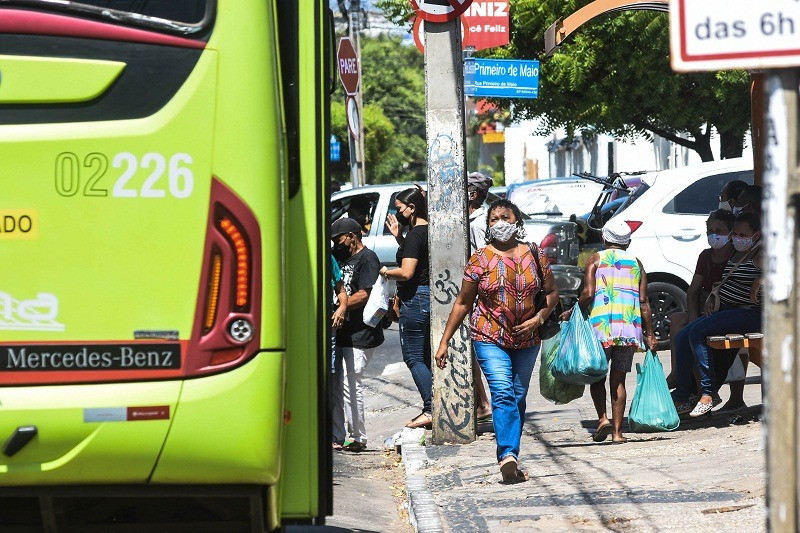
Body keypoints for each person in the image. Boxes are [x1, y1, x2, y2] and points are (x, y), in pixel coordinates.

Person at [434, 199, 559, 483]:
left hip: (528, 339)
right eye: (494, 219)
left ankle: (511, 459)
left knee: (516, 396)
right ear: (488, 226)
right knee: (502, 392)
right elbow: (463, 302)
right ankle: (508, 456)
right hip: (489, 336)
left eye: (505, 216)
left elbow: (552, 293)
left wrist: (538, 319)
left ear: (517, 221)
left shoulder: (535, 254)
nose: (500, 222)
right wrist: (445, 342)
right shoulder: (479, 259)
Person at [561, 217, 658, 444]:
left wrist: (573, 311)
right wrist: (650, 334)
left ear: (604, 238)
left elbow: (588, 293)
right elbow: (644, 302)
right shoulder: (636, 263)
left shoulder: (596, 259)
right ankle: (617, 433)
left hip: (601, 329)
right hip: (628, 330)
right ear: (628, 241)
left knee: (597, 376)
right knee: (619, 380)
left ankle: (602, 418)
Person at [671, 212, 763, 417]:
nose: (737, 238)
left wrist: (761, 279)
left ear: (755, 235)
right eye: (735, 234)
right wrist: (715, 295)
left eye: (742, 234)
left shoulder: (761, 254)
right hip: (728, 309)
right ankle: (683, 396)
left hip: (750, 313)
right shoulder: (738, 253)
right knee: (682, 336)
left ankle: (707, 392)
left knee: (697, 334)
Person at [665, 209, 736, 389]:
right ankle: (676, 374)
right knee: (678, 320)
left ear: (730, 232)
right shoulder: (705, 256)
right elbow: (693, 290)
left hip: (726, 311)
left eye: (718, 231)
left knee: (694, 333)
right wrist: (693, 315)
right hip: (704, 309)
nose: (713, 235)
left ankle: (703, 388)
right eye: (709, 231)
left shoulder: (737, 255)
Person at [380, 188, 432, 429]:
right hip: (430, 296)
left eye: (400, 208)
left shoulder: (415, 235)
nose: (398, 213)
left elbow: (407, 272)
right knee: (426, 356)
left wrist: (386, 272)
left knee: (413, 356)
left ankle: (431, 407)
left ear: (412, 208)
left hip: (416, 299)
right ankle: (437, 406)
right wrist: (398, 238)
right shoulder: (426, 231)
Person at [331, 217, 384, 452]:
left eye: (338, 239)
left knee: (351, 382)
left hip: (361, 332)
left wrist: (339, 308)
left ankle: (358, 436)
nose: (336, 244)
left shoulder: (368, 258)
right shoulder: (339, 258)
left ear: (352, 236)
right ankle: (338, 435)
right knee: (337, 384)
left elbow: (365, 294)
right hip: (341, 330)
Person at [467, 172, 495, 421]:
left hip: (480, 291)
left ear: (473, 195)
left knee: (475, 349)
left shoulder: (477, 223)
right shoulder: (482, 217)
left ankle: (484, 402)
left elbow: (480, 259)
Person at [330, 253, 348, 450]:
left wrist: (342, 307)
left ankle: (337, 434)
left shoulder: (329, 258)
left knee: (332, 381)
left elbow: (341, 291)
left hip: (328, 326)